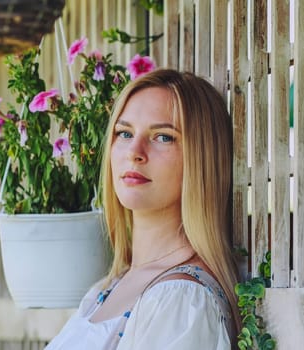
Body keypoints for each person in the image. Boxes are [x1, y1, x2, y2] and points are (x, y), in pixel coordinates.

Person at [45, 69, 240, 349]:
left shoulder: (182, 301)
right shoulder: (107, 288)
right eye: (124, 133)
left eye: (163, 137)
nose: (134, 151)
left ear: (201, 158)